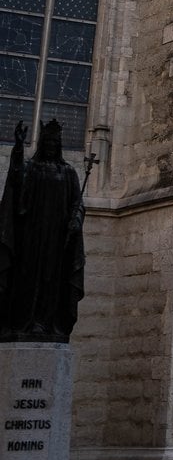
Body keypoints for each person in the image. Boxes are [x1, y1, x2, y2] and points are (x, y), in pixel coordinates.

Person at [0, 120, 85, 342]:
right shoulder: (31, 167)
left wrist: (76, 219)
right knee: (25, 278)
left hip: (56, 241)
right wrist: (18, 148)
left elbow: (78, 202)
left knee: (52, 282)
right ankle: (20, 322)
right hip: (31, 236)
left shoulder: (68, 172)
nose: (50, 146)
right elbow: (16, 181)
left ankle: (46, 323)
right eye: (47, 141)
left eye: (54, 143)